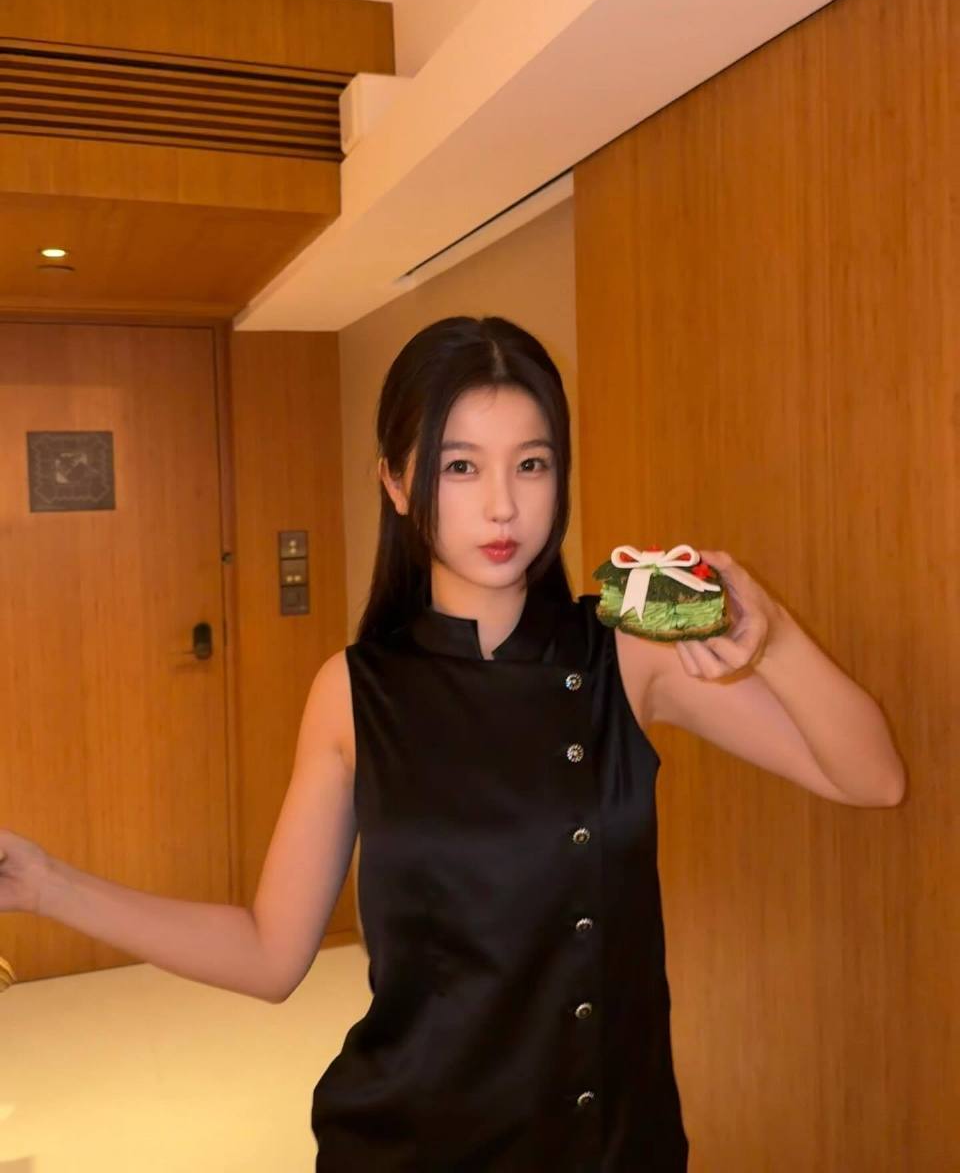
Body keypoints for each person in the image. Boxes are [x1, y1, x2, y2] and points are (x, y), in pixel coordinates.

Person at [0, 315, 905, 1171]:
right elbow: (271, 953)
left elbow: (871, 778)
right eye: (461, 467)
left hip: (606, 1146)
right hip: (411, 1145)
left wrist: (775, 636)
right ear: (397, 483)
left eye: (532, 464)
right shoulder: (354, 692)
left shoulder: (625, 654)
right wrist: (48, 885)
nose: (503, 505)